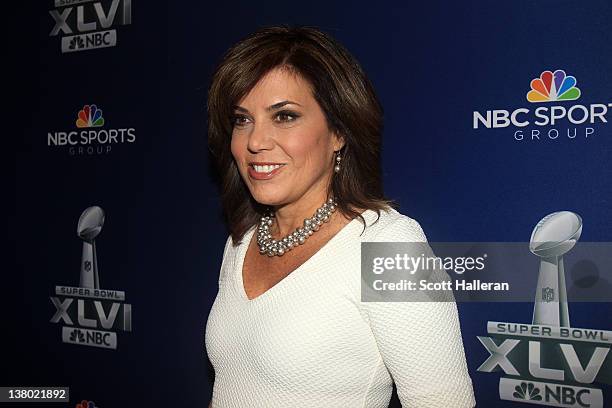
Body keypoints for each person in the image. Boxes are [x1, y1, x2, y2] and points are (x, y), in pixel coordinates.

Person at [204, 25, 475, 407]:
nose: (255, 142)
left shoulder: (388, 244)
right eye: (242, 119)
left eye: (284, 116)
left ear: (338, 132)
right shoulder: (243, 240)